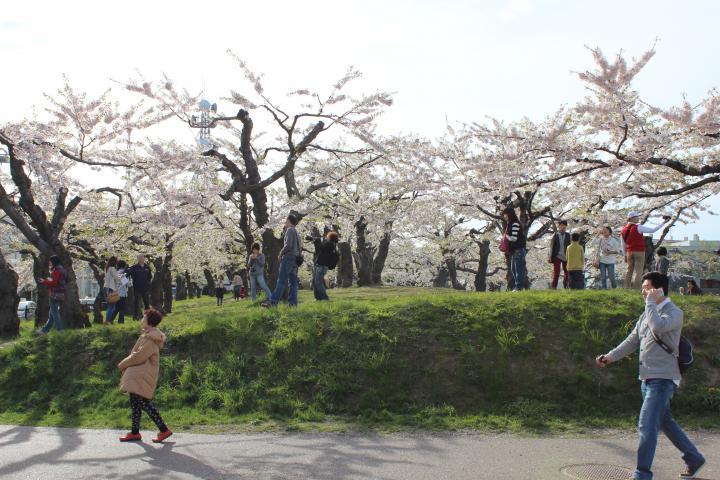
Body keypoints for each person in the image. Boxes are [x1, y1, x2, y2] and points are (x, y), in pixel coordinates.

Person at [595, 272, 706, 480]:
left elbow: (658, 326)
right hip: (646, 378)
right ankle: (694, 458)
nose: (642, 291)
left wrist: (651, 304)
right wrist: (609, 357)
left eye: (646, 287)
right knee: (665, 423)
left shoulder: (674, 313)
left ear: (659, 290)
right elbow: (632, 341)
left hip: (663, 380)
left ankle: (642, 473)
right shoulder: (647, 313)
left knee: (646, 425)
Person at [118, 308, 173, 443]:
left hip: (142, 373)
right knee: (135, 402)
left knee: (143, 402)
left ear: (149, 321)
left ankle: (164, 429)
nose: (141, 320)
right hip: (139, 373)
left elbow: (139, 356)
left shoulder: (150, 339)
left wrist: (123, 364)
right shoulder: (147, 335)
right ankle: (135, 432)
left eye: (144, 317)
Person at [621, 212, 671, 289]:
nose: (638, 218)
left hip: (629, 252)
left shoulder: (623, 229)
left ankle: (627, 288)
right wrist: (664, 222)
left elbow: (623, 244)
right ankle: (636, 289)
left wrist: (625, 254)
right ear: (632, 218)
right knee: (639, 271)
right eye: (636, 217)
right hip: (639, 251)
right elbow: (653, 230)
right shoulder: (638, 227)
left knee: (629, 271)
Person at [264, 214, 302, 306]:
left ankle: (273, 302)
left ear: (289, 221)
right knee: (293, 284)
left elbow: (288, 245)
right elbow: (299, 248)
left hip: (288, 258)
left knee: (281, 281)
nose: (285, 222)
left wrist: (280, 253)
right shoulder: (297, 232)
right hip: (295, 259)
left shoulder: (289, 230)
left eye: (286, 220)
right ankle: (292, 303)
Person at [38, 255, 66, 334]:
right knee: (52, 314)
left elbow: (54, 282)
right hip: (61, 293)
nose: (49, 263)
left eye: (50, 262)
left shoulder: (57, 270)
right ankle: (44, 330)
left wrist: (44, 281)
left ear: (54, 261)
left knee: (55, 313)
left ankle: (60, 330)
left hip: (55, 293)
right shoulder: (62, 269)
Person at [308, 230, 339, 301]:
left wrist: (316, 240)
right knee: (315, 282)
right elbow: (319, 250)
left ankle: (325, 298)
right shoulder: (331, 245)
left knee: (318, 282)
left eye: (328, 236)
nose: (326, 237)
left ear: (330, 237)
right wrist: (315, 240)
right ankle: (318, 298)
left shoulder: (330, 244)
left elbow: (320, 248)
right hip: (320, 265)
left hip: (322, 265)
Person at [502, 207, 526, 291]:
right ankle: (517, 287)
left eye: (505, 214)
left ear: (509, 214)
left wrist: (506, 236)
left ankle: (519, 287)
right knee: (513, 269)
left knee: (518, 269)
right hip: (514, 251)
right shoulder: (511, 224)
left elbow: (513, 239)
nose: (504, 216)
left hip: (518, 250)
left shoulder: (515, 224)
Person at [128, 254, 152, 320]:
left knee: (147, 303)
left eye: (142, 257)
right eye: (139, 258)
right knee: (136, 303)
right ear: (137, 259)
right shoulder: (134, 267)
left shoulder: (147, 267)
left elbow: (149, 276)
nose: (141, 259)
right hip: (137, 288)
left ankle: (148, 317)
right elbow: (128, 274)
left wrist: (148, 283)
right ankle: (135, 317)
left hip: (145, 288)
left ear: (144, 258)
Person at [548, 220, 570, 289]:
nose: (563, 227)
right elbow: (551, 246)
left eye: (564, 225)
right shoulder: (555, 235)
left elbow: (570, 246)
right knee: (556, 272)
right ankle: (554, 287)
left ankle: (567, 286)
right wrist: (549, 256)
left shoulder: (568, 235)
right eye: (561, 225)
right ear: (559, 226)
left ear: (566, 226)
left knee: (567, 272)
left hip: (566, 256)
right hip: (557, 256)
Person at [109, 260, 131, 324]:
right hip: (122, 293)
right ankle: (121, 321)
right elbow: (128, 284)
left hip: (115, 293)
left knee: (117, 308)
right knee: (122, 308)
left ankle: (110, 320)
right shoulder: (124, 274)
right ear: (124, 265)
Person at [104, 256, 122, 325]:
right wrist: (121, 278)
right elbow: (116, 278)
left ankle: (108, 320)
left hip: (106, 287)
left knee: (111, 306)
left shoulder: (107, 268)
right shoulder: (112, 268)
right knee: (112, 306)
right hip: (111, 288)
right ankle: (107, 321)